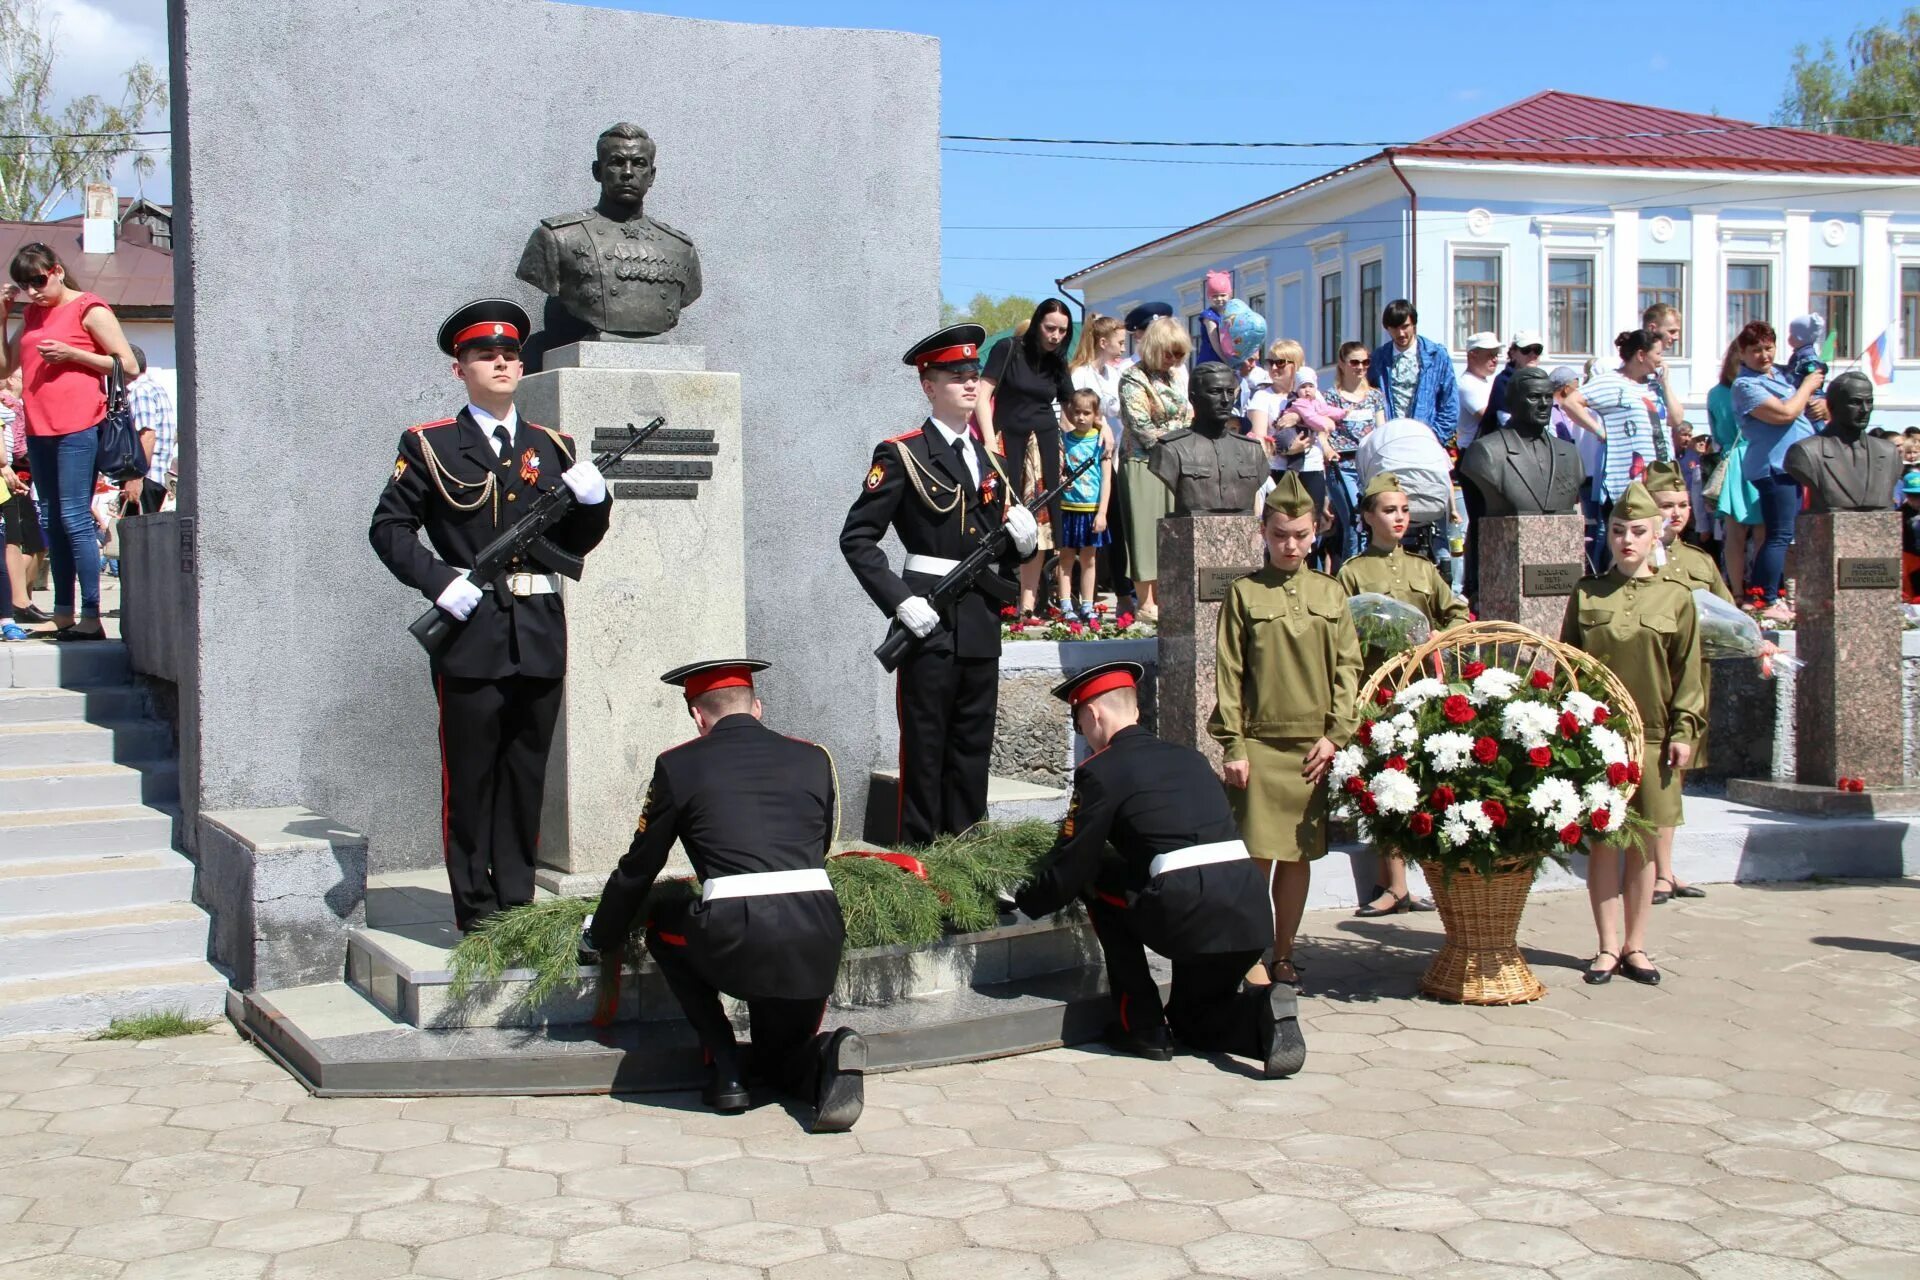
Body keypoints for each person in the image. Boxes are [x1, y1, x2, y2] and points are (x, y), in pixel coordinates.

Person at [368, 299, 613, 932]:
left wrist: (594, 503)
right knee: (471, 777)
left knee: (525, 773)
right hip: (471, 629)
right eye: (486, 355)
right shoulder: (430, 444)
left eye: (510, 354)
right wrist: (439, 581)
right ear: (461, 369)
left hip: (537, 628)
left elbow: (577, 544)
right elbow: (389, 529)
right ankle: (475, 913)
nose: (502, 362)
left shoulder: (551, 445)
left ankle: (515, 903)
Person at [579, 660, 866, 1131]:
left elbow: (639, 868)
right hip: (817, 932)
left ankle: (728, 1070)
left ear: (697, 716)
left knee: (663, 921)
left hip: (733, 938)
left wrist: (600, 936)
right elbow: (817, 847)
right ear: (757, 707)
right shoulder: (813, 757)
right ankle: (827, 1056)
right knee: (781, 1062)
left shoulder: (679, 764)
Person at [1015, 661, 1304, 1075]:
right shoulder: (1189, 758)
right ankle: (1266, 1011)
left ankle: (1143, 1025)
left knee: (1095, 878)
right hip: (1249, 912)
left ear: (1093, 715)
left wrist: (1024, 901)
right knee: (1192, 1021)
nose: (1085, 738)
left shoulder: (1101, 771)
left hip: (1188, 911)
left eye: (1080, 725)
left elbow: (1072, 863)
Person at [840, 323, 1038, 846]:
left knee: (973, 749)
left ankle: (971, 854)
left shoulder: (989, 455)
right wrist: (900, 602)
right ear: (928, 385)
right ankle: (922, 858)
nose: (971, 385)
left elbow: (1002, 540)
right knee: (925, 751)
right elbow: (858, 538)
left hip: (980, 620)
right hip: (929, 617)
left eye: (974, 375)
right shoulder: (902, 453)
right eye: (956, 377)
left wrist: (1025, 541)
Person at [1211, 472, 1364, 990]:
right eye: (1280, 534)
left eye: (1300, 534)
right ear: (1263, 531)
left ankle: (1284, 954)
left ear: (1316, 531)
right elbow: (1228, 673)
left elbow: (1349, 668)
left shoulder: (1331, 591)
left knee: (1298, 858)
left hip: (1312, 749)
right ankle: (1251, 953)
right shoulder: (1244, 593)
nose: (1290, 544)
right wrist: (1233, 743)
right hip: (1259, 744)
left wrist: (1337, 735)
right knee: (1255, 859)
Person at [1560, 482, 1703, 987]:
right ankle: (1604, 947)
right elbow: (1567, 667)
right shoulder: (1587, 592)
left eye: (1637, 532)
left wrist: (1686, 729)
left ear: (1655, 533)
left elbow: (1689, 673)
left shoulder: (1676, 597)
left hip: (1656, 737)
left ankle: (1636, 945)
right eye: (1618, 530)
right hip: (1601, 738)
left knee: (1641, 846)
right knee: (1604, 843)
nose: (1626, 540)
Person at [1336, 472, 1469, 917]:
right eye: (1389, 510)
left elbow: (1456, 613)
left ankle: (1419, 879)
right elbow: (1342, 632)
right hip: (1378, 693)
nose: (1399, 518)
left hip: (1420, 694)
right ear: (1368, 516)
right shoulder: (1353, 572)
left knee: (1423, 785)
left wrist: (1436, 634)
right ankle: (1392, 883)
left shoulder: (1423, 569)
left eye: (1405, 510)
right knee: (1385, 785)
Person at [0, 242, 136, 642]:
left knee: (75, 519)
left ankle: (92, 616)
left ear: (57, 270)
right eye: (25, 285)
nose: (34, 291)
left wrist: (73, 354)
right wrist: (3, 314)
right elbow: (6, 367)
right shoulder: (34, 313)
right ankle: (64, 613)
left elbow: (126, 364)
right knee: (53, 521)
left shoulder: (88, 307)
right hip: (40, 429)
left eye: (39, 280)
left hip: (79, 425)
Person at [1646, 461, 1746, 905]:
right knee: (1655, 779)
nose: (1677, 512)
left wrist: (1759, 645)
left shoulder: (1699, 561)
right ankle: (1654, 870)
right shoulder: (1636, 559)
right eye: (1666, 505)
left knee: (1676, 777)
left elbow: (1729, 619)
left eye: (1683, 504)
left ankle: (1664, 868)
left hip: (1691, 685)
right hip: (1650, 685)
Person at [978, 300, 1075, 618]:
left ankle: (1028, 606)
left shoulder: (1058, 361)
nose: (1056, 335)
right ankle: (998, 599)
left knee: (1039, 527)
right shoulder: (1008, 348)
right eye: (1050, 328)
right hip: (1009, 444)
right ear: (1037, 324)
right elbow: (983, 393)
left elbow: (1068, 410)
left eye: (1063, 330)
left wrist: (1101, 434)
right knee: (1003, 519)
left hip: (1044, 447)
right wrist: (990, 441)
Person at [1730, 321, 1823, 612]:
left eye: (1768, 348)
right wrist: (1808, 387)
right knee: (1779, 534)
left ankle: (1774, 595)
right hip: (1774, 467)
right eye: (1755, 350)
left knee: (1786, 535)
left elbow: (1807, 406)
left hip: (1797, 466)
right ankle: (1763, 598)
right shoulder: (1746, 385)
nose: (1764, 355)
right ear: (1742, 353)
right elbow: (1784, 414)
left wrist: (1822, 404)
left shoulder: (1782, 375)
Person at [1116, 317, 1193, 620]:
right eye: (1169, 353)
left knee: (1170, 531)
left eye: (1179, 354)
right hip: (1143, 462)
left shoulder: (1173, 378)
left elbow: (1188, 417)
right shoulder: (1133, 378)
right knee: (1145, 531)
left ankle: (1165, 598)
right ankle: (1146, 603)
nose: (1173, 360)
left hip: (1174, 463)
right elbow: (1141, 426)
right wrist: (1180, 436)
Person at [1581, 330, 1671, 570]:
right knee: (1626, 538)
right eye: (1658, 354)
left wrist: (1666, 383)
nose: (1662, 359)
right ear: (1641, 355)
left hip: (1658, 474)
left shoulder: (1653, 386)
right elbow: (1571, 401)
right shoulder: (1612, 381)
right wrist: (1600, 430)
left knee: (1655, 537)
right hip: (1627, 477)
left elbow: (1676, 418)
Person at [1704, 341, 1761, 599]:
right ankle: (1759, 590)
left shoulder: (1716, 394)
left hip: (1730, 459)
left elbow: (1715, 433)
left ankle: (1736, 591)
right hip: (1757, 456)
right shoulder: (1757, 388)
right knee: (1762, 532)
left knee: (1734, 535)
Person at [1323, 342, 1386, 570]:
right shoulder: (1330, 398)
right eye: (1355, 362)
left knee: (1371, 522)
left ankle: (1368, 572)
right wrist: (1328, 450)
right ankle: (1352, 578)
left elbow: (1381, 429)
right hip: (1342, 465)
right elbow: (1322, 431)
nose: (1360, 367)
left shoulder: (1375, 396)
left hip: (1367, 465)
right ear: (1342, 364)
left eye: (1365, 362)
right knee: (1354, 521)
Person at [1056, 390, 1112, 622]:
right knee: (1065, 558)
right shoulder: (1064, 441)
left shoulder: (1101, 441)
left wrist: (1102, 513)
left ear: (1096, 414)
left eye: (1086, 413)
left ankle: (1088, 604)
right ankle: (1066, 604)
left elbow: (1106, 479)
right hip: (1068, 507)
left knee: (1089, 560)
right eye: (1076, 412)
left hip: (1091, 509)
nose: (1080, 417)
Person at [1370, 300, 1459, 445]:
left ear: (1414, 324)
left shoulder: (1436, 355)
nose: (1401, 333)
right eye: (1394, 328)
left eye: (1405, 327)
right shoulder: (1378, 358)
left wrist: (1434, 439)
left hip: (1425, 440)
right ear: (1387, 328)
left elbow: (1450, 402)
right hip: (1390, 440)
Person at [123, 346, 176, 515]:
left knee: (139, 537)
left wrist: (135, 478)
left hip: (147, 479)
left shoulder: (140, 391)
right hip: (155, 477)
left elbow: (147, 436)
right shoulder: (154, 388)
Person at [1483, 330, 1545, 437]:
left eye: (1537, 350)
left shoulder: (1542, 381)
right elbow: (1506, 421)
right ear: (1513, 353)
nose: (1532, 355)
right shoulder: (1504, 381)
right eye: (1526, 350)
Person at [1455, 331, 1502, 449]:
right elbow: (1492, 419)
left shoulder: (1487, 381)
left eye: (1496, 354)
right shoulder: (1467, 385)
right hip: (1472, 455)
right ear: (1472, 355)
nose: (1495, 359)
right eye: (1490, 354)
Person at [1196, 270, 1231, 366]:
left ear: (1229, 294)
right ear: (1209, 297)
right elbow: (1215, 343)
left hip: (1225, 359)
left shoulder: (1229, 314)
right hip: (1211, 361)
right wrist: (1227, 362)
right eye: (1215, 296)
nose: (1219, 299)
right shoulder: (1209, 316)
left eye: (1223, 295)